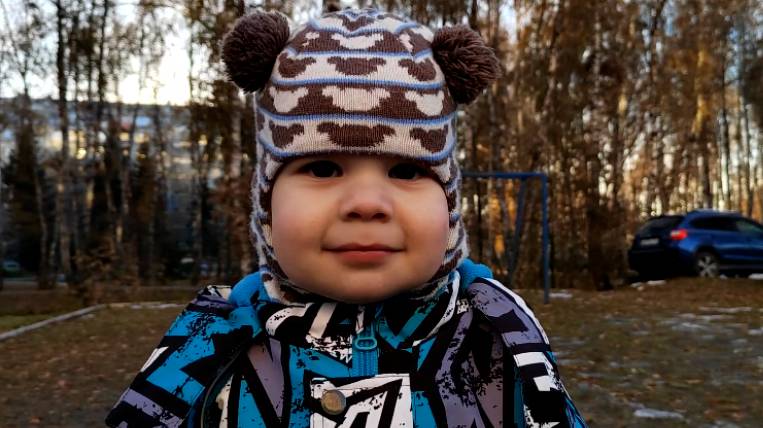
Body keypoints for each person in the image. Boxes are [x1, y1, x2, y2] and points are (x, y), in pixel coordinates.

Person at [106, 8, 586, 427]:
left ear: (450, 204)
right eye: (322, 168)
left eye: (406, 170)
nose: (367, 203)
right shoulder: (208, 352)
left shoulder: (498, 341)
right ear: (267, 206)